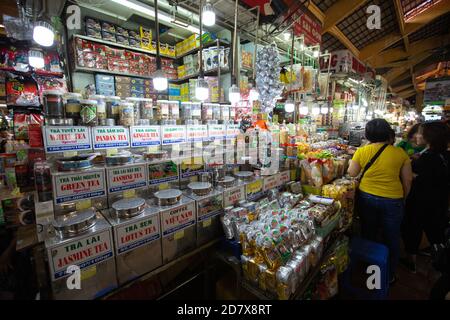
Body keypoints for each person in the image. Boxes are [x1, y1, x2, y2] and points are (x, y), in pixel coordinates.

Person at [348, 118, 413, 283]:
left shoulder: (362, 151)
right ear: (388, 133)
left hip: (367, 197)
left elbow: (352, 173)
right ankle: (389, 275)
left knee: (369, 232)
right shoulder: (400, 153)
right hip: (393, 199)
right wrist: (403, 197)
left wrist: (354, 157)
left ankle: (370, 270)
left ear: (367, 134)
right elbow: (408, 180)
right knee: (392, 237)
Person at [401, 122, 450, 273]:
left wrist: (412, 169)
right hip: (440, 201)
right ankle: (439, 256)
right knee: (435, 230)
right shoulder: (444, 154)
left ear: (430, 137)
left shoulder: (427, 158)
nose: (416, 135)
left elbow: (413, 177)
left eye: (420, 133)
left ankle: (412, 261)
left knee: (412, 228)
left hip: (419, 201)